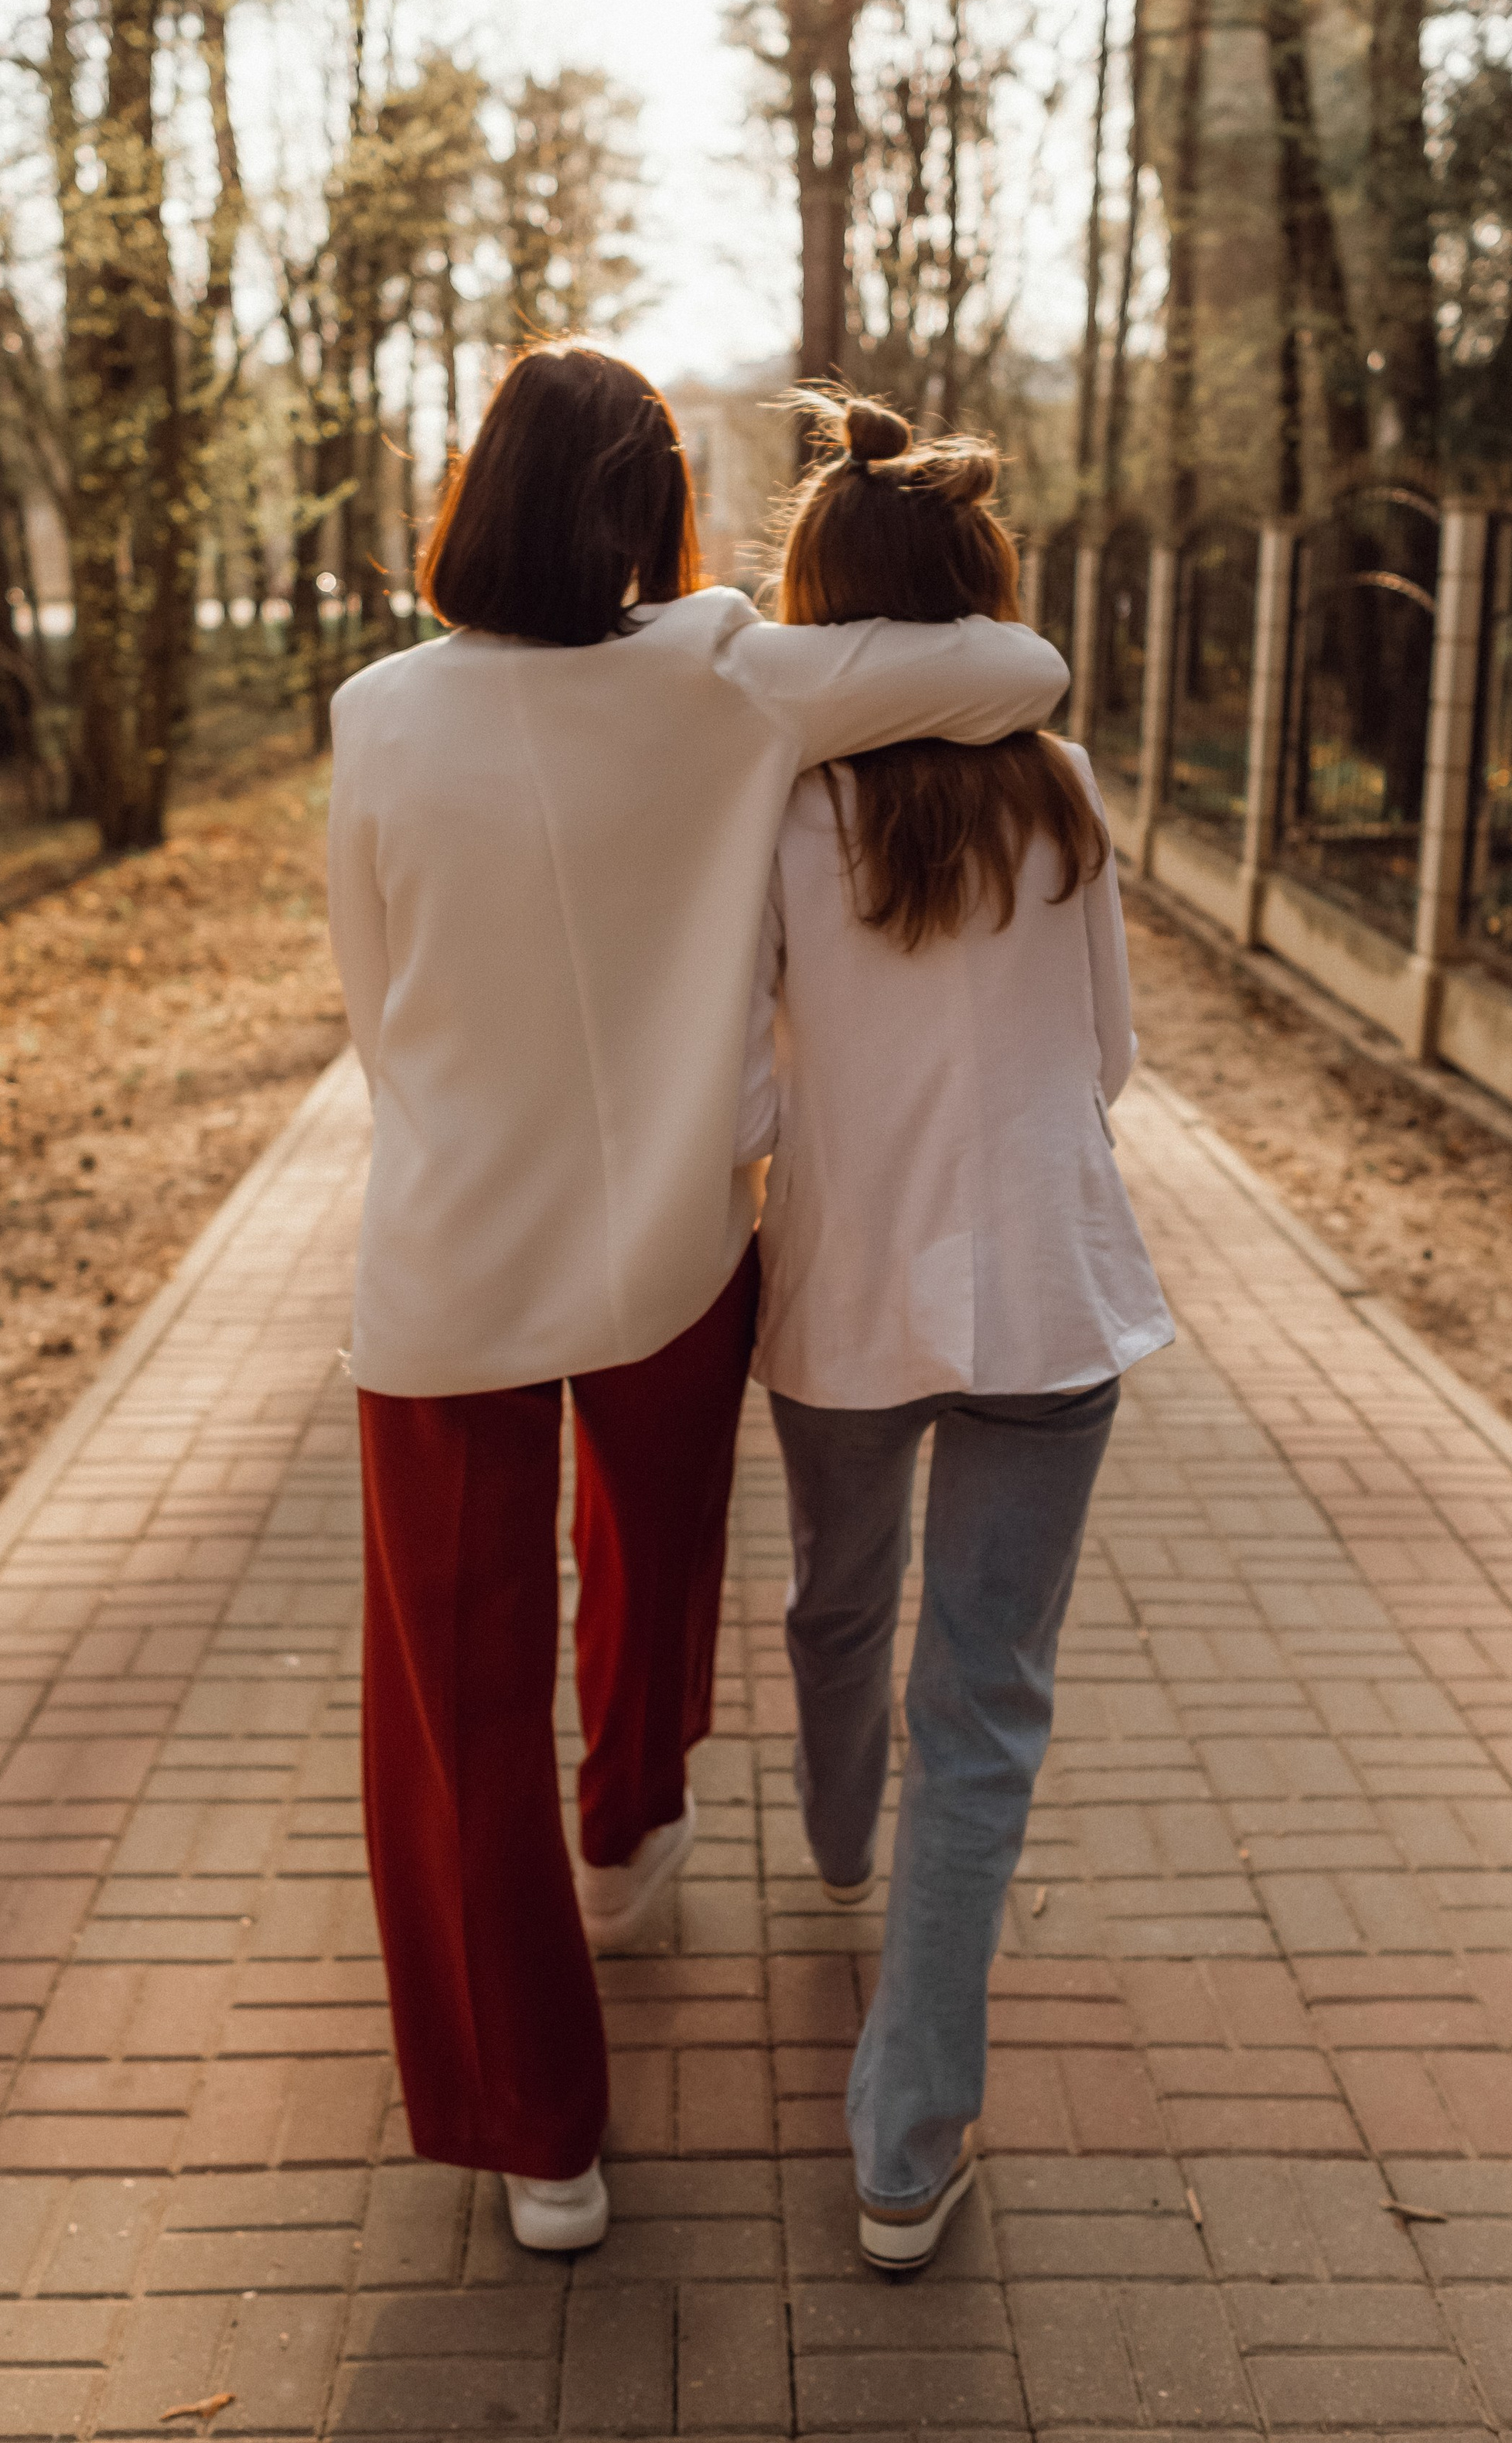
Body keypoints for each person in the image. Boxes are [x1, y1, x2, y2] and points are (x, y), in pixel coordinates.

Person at [326, 340, 1067, 2257]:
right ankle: (633, 1831)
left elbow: (368, 990)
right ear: (651, 513)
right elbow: (1018, 673)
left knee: (450, 1695)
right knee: (652, 1556)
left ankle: (538, 2136)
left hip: (444, 1265)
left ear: (476, 498)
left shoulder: (378, 716)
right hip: (669, 1251)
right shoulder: (728, 673)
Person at [739, 393, 1173, 2273]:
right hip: (1048, 1295)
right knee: (980, 1709)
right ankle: (905, 2144)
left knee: (840, 1593)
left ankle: (835, 1838)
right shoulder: (1063, 786)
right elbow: (1108, 1061)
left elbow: (744, 1098)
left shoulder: (778, 805)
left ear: (821, 607)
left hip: (838, 1297)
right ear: (977, 591)